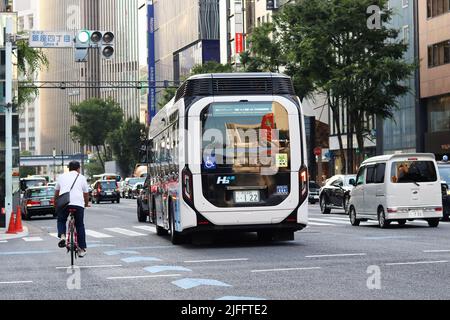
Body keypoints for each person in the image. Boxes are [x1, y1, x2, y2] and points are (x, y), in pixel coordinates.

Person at [55, 161, 90, 258]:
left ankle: (62, 235)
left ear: (69, 168)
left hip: (64, 203)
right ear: (78, 168)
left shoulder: (61, 177)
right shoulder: (82, 177)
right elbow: (86, 194)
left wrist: (56, 204)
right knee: (79, 225)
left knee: (61, 220)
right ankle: (82, 249)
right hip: (78, 204)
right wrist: (86, 204)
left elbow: (56, 193)